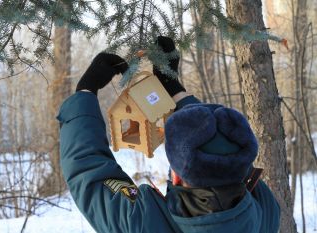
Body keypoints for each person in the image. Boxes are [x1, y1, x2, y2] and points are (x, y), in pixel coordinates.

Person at [57, 36, 280, 233]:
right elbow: (224, 151)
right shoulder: (266, 212)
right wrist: (173, 88)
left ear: (177, 177)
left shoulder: (141, 223)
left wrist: (85, 92)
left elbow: (87, 171)